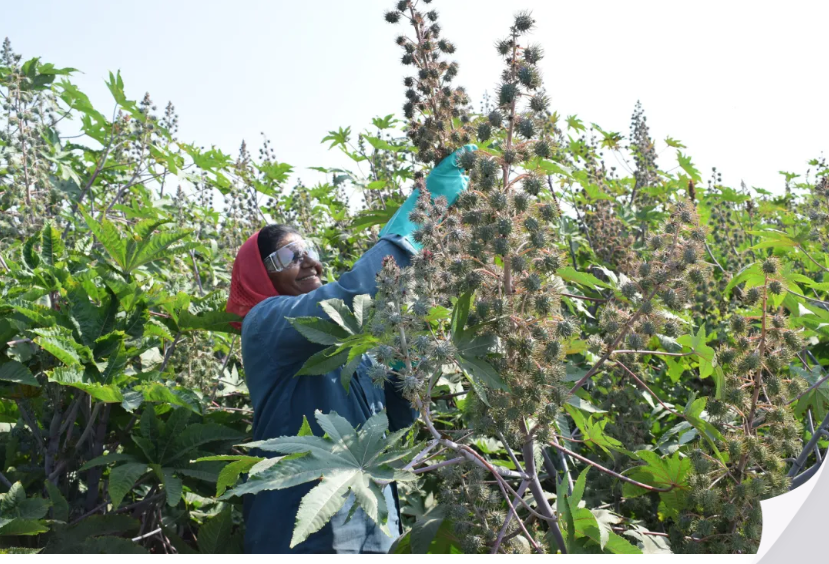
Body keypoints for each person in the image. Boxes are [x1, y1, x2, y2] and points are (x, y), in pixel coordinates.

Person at [226, 145, 476, 554]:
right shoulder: (264, 323)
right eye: (290, 255)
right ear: (258, 271)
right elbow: (345, 297)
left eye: (311, 252)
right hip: (303, 535)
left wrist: (402, 365)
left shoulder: (353, 348)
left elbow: (395, 425)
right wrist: (414, 222)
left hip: (374, 528)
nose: (310, 263)